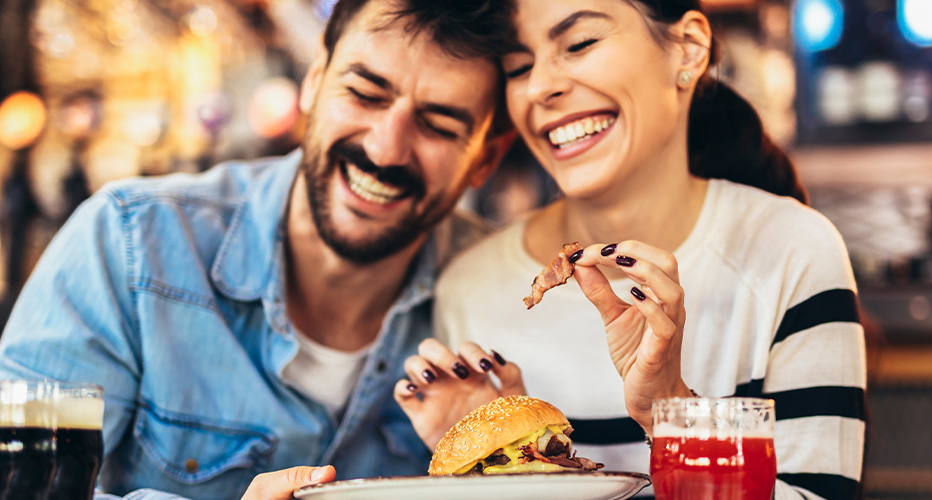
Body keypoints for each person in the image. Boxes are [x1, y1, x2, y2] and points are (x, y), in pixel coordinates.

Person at [0, 0, 518, 498]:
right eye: (364, 94)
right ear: (314, 82)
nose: (385, 148)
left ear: (485, 158)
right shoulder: (129, 241)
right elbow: (18, 486)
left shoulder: (505, 294)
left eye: (437, 125)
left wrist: (506, 471)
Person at [394, 1, 867, 499]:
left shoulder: (792, 250)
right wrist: (516, 474)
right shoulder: (469, 288)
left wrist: (671, 410)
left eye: (579, 44)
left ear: (687, 47)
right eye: (518, 67)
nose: (540, 87)